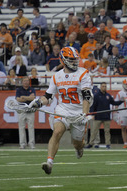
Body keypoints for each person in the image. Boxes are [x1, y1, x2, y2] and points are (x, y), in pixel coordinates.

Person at [30, 47, 92, 175]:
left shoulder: (83, 73)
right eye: (71, 59)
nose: (74, 62)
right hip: (62, 109)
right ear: (63, 60)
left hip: (78, 112)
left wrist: (84, 114)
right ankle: (49, 163)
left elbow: (87, 96)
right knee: (57, 132)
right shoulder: (57, 76)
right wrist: (38, 102)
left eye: (75, 59)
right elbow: (48, 97)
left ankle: (79, 148)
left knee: (77, 143)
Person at [85, 82, 123, 149]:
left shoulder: (108, 96)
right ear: (100, 87)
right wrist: (93, 114)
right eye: (103, 86)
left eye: (105, 86)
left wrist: (122, 101)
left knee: (107, 131)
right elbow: (93, 106)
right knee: (94, 131)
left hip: (106, 116)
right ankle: (91, 143)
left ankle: (108, 144)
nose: (104, 87)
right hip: (98, 116)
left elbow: (114, 103)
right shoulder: (96, 96)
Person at [16, 76, 36, 149]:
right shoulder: (19, 90)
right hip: (22, 110)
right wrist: (28, 98)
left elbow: (33, 98)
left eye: (27, 81)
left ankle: (31, 143)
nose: (26, 82)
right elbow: (18, 99)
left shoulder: (32, 89)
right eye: (24, 81)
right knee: (21, 127)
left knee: (31, 127)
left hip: (30, 110)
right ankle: (22, 143)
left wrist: (23, 97)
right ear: (22, 82)